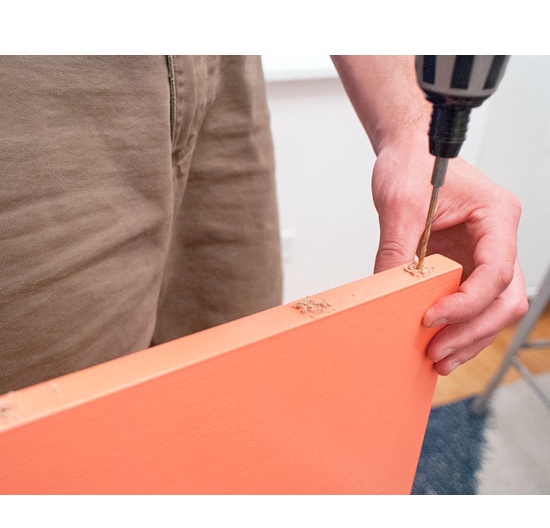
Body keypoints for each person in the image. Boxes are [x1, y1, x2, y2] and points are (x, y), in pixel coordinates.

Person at [0, 55, 528, 394]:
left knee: (236, 383)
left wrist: (411, 129)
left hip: (221, 62)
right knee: (58, 430)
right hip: (36, 85)